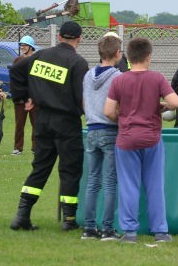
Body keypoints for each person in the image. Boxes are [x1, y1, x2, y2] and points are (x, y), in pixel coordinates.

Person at [8, 21, 89, 231]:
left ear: (59, 37)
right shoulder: (77, 63)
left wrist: (23, 97)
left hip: (42, 120)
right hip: (67, 123)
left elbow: (16, 69)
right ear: (78, 39)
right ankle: (69, 220)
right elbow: (82, 96)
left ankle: (22, 215)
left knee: (40, 168)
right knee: (70, 170)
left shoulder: (40, 56)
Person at [104, 37, 178, 243]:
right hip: (152, 138)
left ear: (128, 57)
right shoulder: (157, 79)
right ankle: (161, 232)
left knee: (129, 186)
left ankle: (129, 233)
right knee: (155, 186)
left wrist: (121, 118)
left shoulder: (119, 80)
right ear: (149, 57)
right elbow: (175, 102)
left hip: (127, 139)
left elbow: (108, 111)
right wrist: (163, 105)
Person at [80, 32, 123, 241]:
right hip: (109, 129)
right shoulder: (117, 77)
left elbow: (84, 102)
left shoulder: (88, 75)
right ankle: (107, 228)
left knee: (92, 180)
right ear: (117, 53)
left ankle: (89, 228)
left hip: (91, 129)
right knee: (110, 181)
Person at [11, 36, 38, 155]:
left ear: (31, 47)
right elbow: (15, 79)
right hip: (21, 99)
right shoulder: (17, 60)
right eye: (21, 45)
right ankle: (18, 148)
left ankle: (36, 147)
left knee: (36, 124)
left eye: (25, 45)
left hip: (34, 98)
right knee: (19, 124)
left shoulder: (36, 60)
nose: (22, 47)